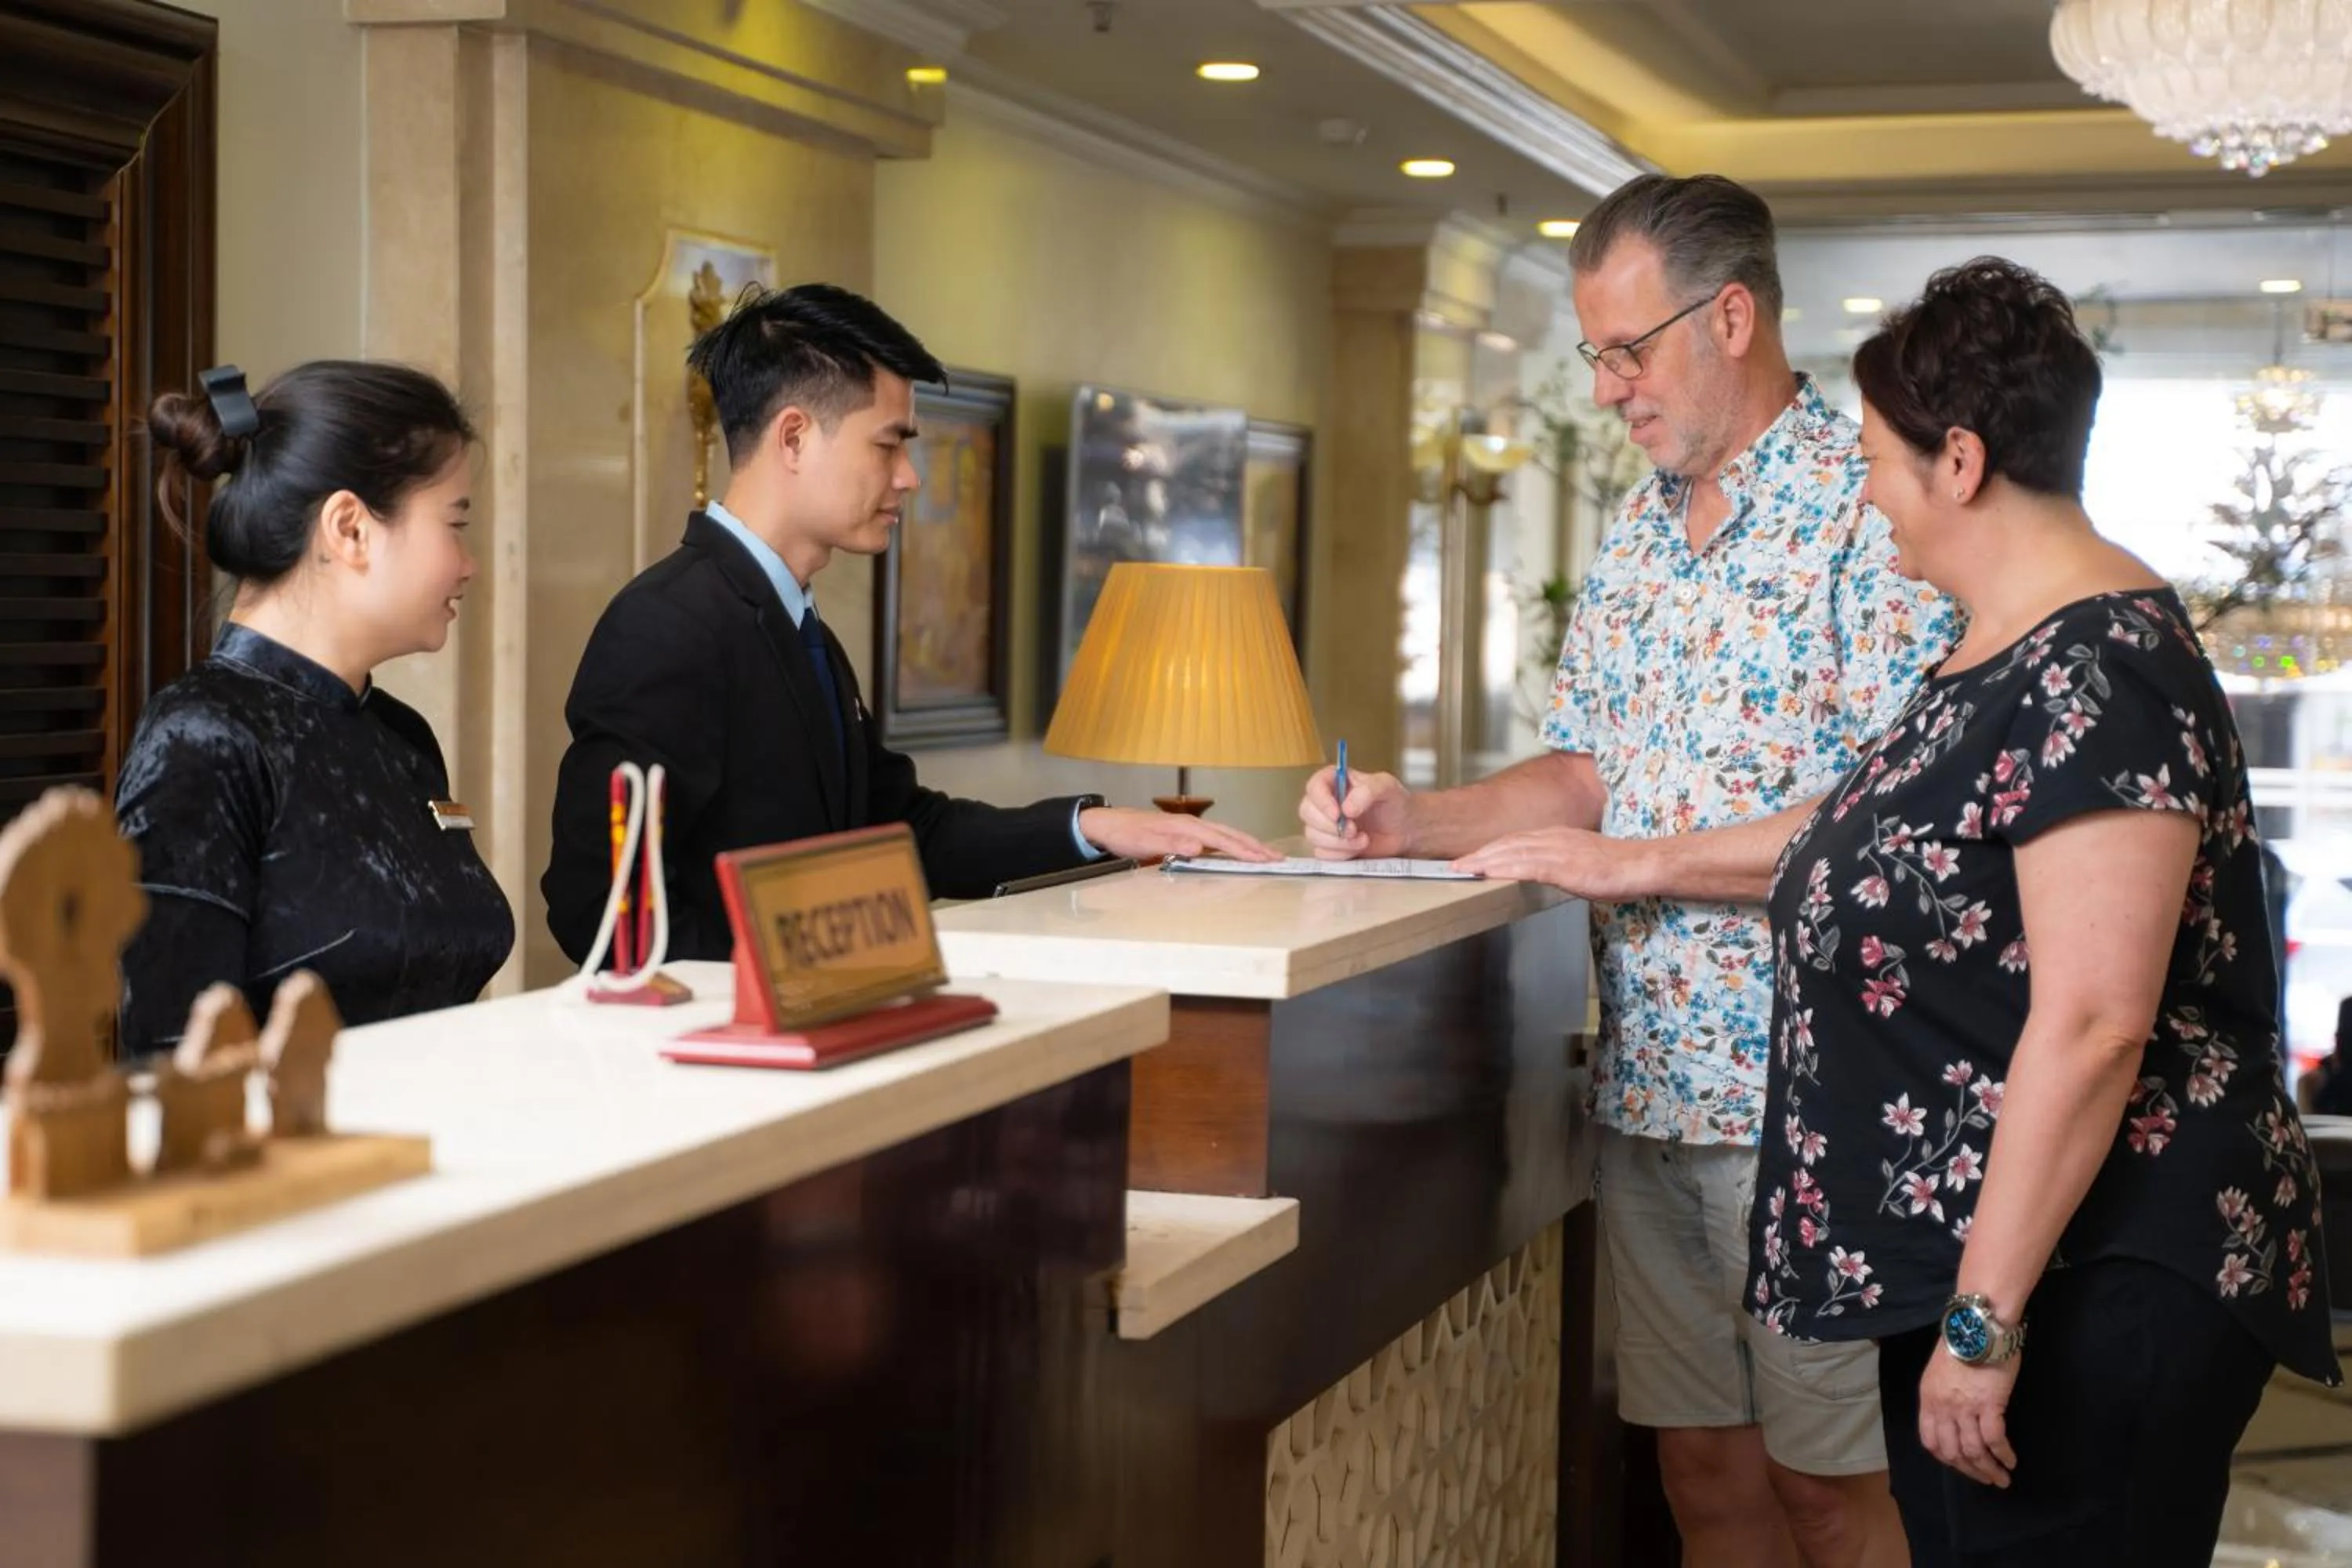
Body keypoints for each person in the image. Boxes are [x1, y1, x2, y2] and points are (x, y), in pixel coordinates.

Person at [1301, 173, 1955, 1568]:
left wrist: (1634, 858)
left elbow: (1876, 824)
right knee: (1699, 1481)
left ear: (1731, 318)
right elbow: (1589, 767)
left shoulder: (1872, 517)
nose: (1605, 390)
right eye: (1591, 356)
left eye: (1626, 351)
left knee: (1833, 1495)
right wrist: (1417, 820)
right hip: (1649, 1089)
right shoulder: (1641, 535)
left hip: (1808, 1109)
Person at [1744, 258, 2338, 1566]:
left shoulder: (2102, 663)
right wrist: (1622, 859)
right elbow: (1904, 865)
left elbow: (2092, 1023)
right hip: (2015, 1272)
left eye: (1876, 458)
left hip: (2092, 1278)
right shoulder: (1998, 646)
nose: (1866, 488)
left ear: (1958, 462)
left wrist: (1981, 1325)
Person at [543, 284, 1273, 964]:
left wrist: (1091, 827)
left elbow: (904, 830)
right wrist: (784, 980)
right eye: (888, 444)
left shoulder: (803, 630)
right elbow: (598, 910)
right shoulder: (668, 625)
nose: (909, 478)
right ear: (792, 438)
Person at [115, 361, 515, 1054]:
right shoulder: (202, 741)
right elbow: (172, 1063)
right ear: (350, 528)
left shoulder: (402, 737)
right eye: (455, 524)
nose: (469, 564)